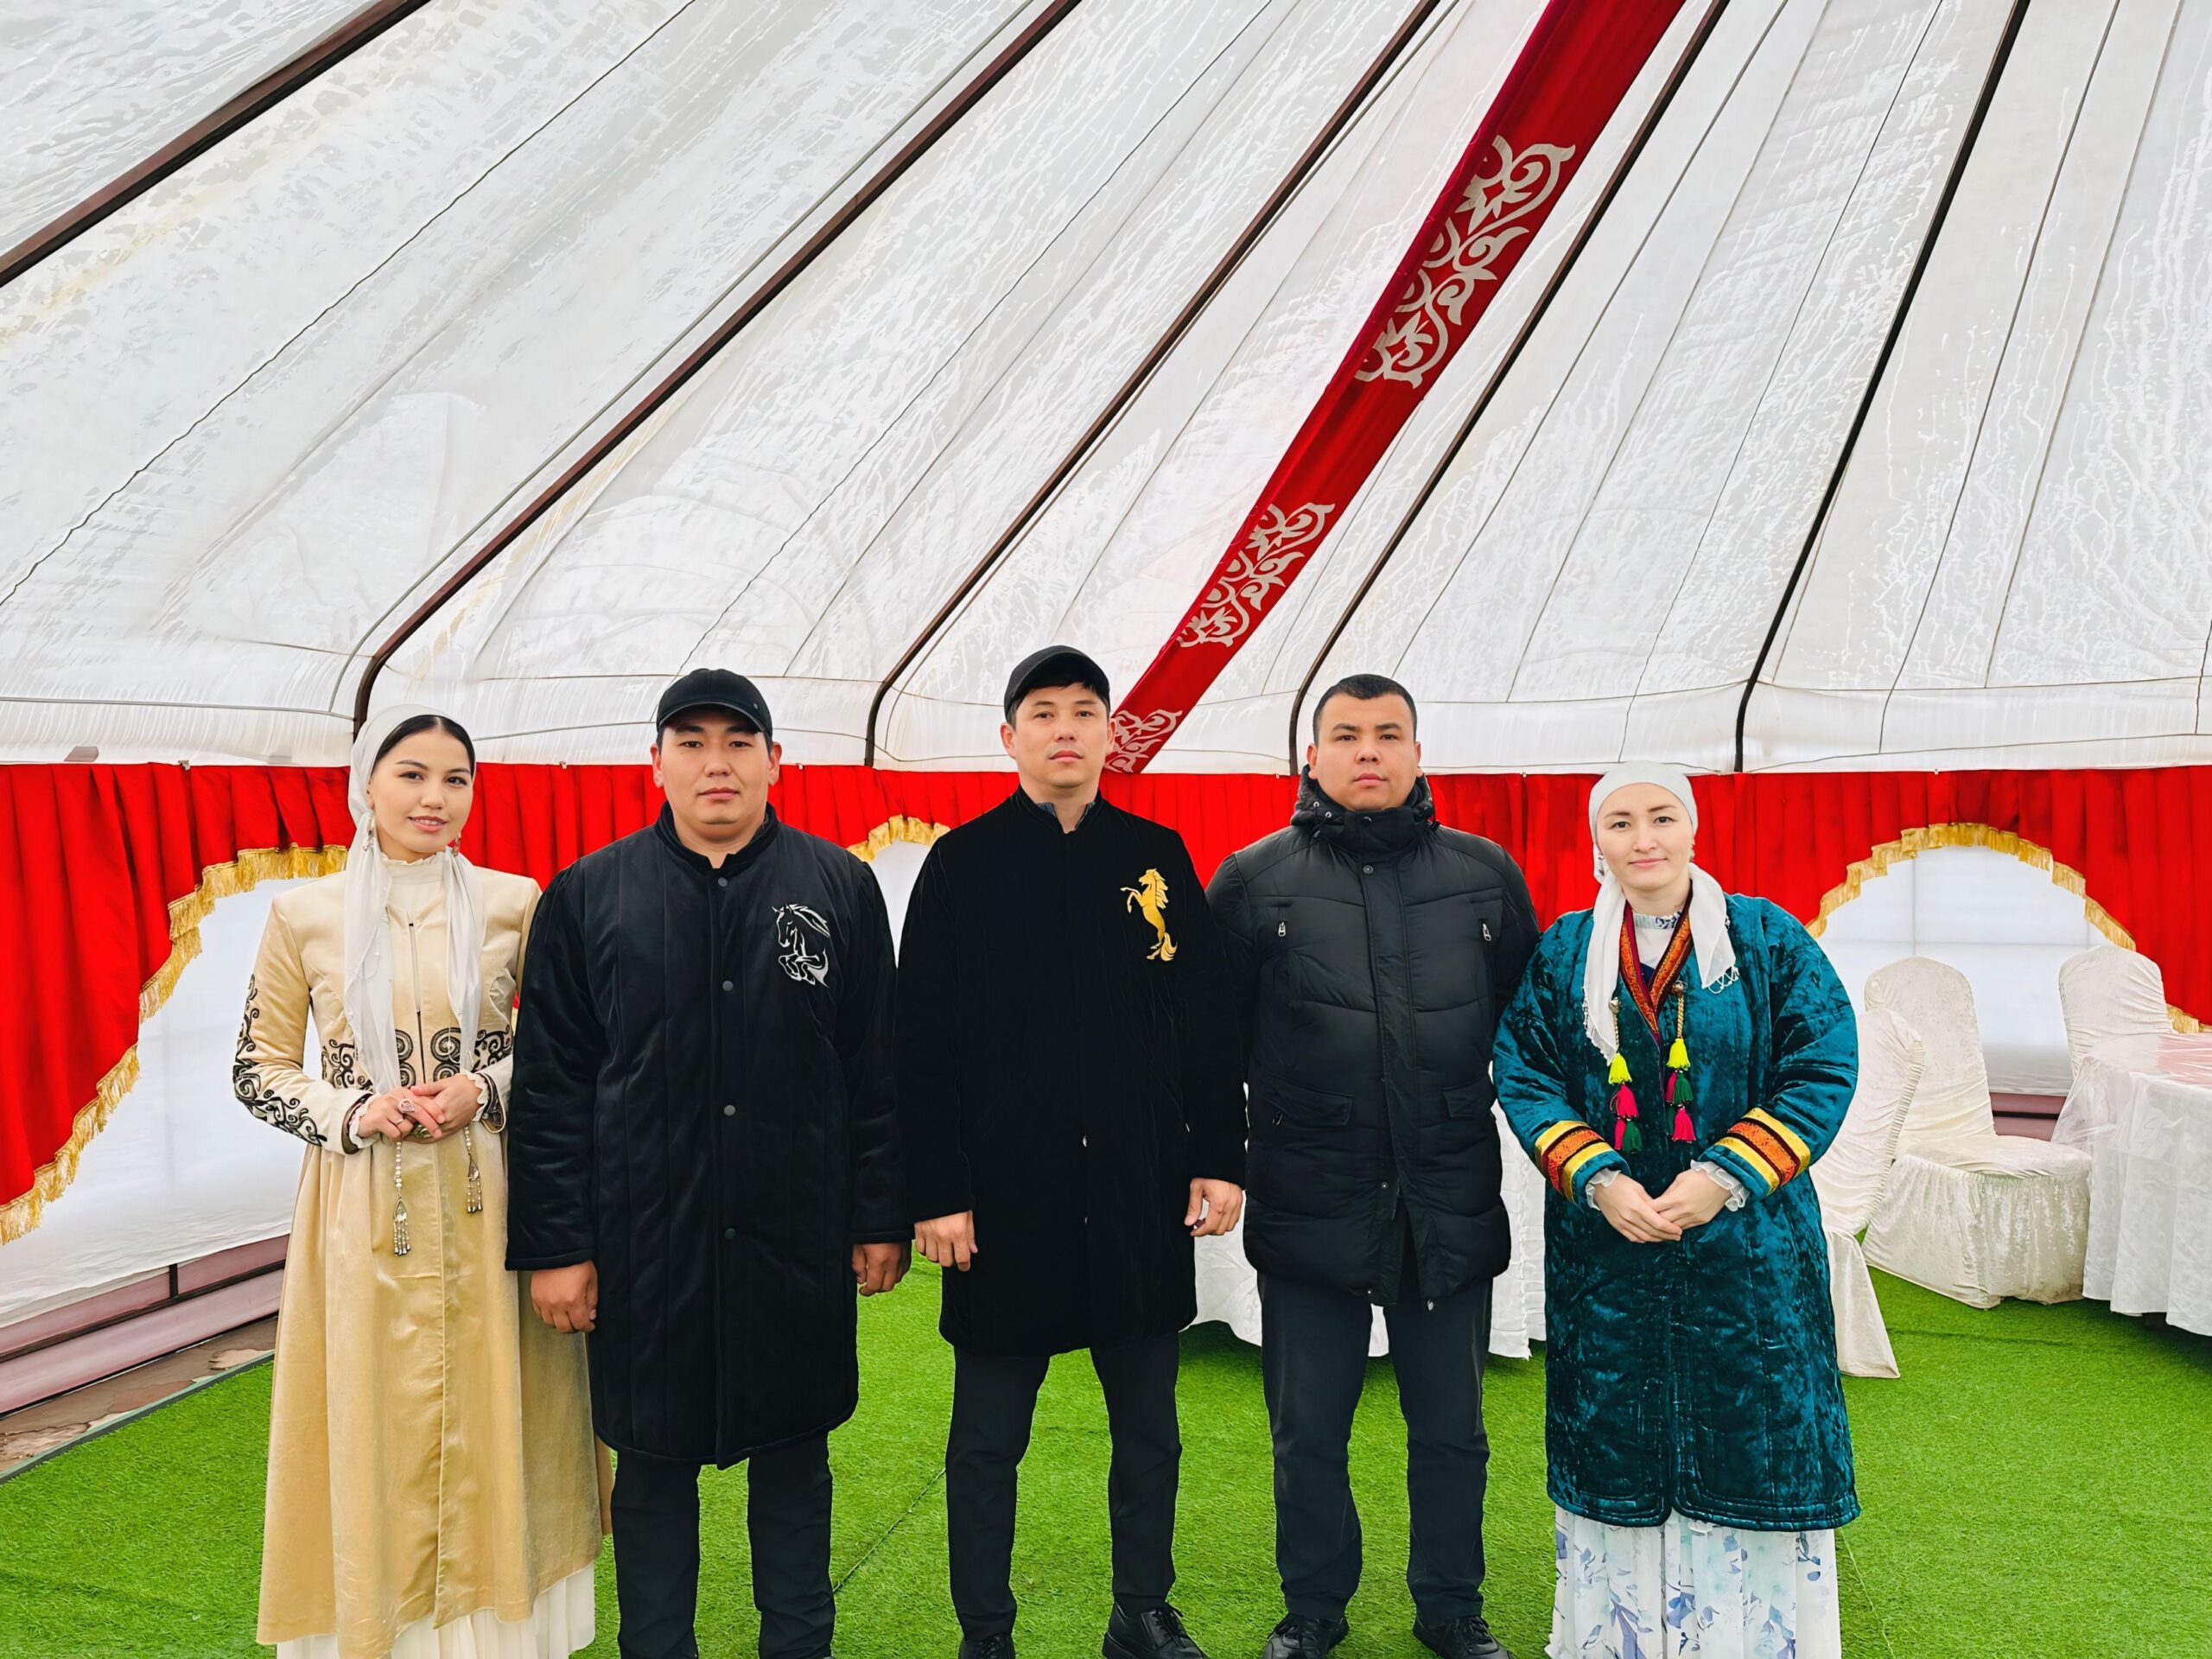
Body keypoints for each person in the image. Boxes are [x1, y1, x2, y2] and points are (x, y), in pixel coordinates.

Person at [505, 669, 909, 1659]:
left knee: (795, 1472)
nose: (715, 763)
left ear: (776, 761)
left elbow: (877, 1066)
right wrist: (557, 1247)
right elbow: (552, 1090)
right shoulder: (588, 896)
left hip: (794, 1238)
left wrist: (878, 1213)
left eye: (738, 742)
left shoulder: (838, 886)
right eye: (691, 742)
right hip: (647, 1247)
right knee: (649, 1478)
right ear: (656, 762)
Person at [896, 645, 1248, 1659]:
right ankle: (985, 1631)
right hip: (1006, 1204)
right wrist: (938, 1191)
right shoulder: (962, 864)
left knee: (1148, 1431)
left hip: (1138, 1195)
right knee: (986, 1442)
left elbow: (1205, 1019)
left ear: (1108, 734)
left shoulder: (1155, 857)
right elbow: (919, 1041)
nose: (1064, 729)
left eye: (1084, 711)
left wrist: (1219, 1156)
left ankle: (1141, 1610)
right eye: (1043, 712)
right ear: (1009, 737)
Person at [237, 704, 601, 1659]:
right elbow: (258, 1067)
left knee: (500, 1417)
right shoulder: (303, 914)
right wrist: (354, 1112)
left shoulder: (518, 902)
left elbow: (567, 1048)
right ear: (366, 783)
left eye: (455, 779)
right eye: (411, 774)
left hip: (492, 1201)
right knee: (371, 1420)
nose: (434, 797)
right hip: (359, 1209)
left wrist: (485, 1088)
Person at [1493, 764, 1859, 1659]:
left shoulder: (1766, 939)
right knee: (1619, 1444)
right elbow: (1525, 1072)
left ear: (1693, 829)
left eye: (1661, 817)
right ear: (1597, 840)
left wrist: (1725, 1175)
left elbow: (1822, 1065)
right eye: (1620, 822)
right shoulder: (1566, 951)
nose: (1643, 838)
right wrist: (1599, 1179)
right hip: (1607, 1255)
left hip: (1750, 1251)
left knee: (1755, 1439)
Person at [1207, 674, 1538, 1659]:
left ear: (1417, 753)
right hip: (1311, 1193)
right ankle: (1313, 1607)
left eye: (1388, 734)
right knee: (1309, 1431)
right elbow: (1208, 1049)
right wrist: (1216, 1163)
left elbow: (1531, 1030)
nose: (1368, 751)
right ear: (1311, 756)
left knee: (1452, 1429)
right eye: (1346, 735)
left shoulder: (1485, 875)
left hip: (1447, 1192)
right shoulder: (1253, 880)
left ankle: (1451, 1607)